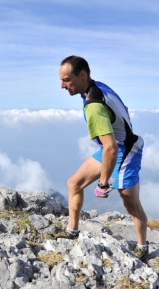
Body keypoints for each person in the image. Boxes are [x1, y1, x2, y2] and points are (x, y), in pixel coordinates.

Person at [58, 55, 149, 261]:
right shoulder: (96, 86)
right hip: (115, 144)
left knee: (131, 205)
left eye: (66, 80)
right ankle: (72, 232)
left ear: (82, 75)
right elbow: (123, 110)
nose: (62, 86)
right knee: (74, 184)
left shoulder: (94, 104)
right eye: (61, 80)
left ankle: (143, 247)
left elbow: (111, 150)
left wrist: (103, 183)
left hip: (124, 150)